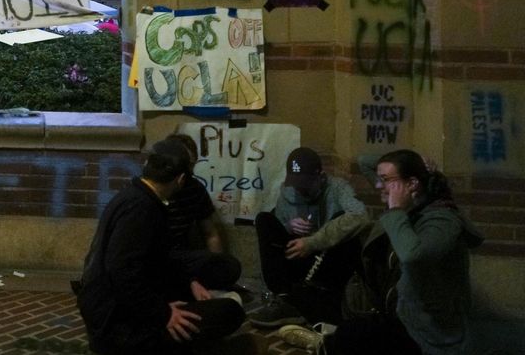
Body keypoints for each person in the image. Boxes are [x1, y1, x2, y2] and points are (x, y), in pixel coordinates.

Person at [278, 149, 484, 355]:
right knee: (344, 326)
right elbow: (364, 160)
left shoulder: (442, 220)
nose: (378, 185)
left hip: (430, 332)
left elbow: (414, 256)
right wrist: (418, 162)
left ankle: (325, 344)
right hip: (402, 312)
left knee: (350, 337)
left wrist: (396, 211)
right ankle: (327, 337)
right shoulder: (414, 205)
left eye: (385, 179)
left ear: (412, 184)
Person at [76, 139, 247, 353]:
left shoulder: (135, 196)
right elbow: (122, 270)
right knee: (229, 312)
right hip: (116, 327)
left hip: (117, 312)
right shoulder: (142, 208)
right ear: (181, 179)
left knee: (203, 293)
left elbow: (156, 261)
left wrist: (188, 283)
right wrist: (163, 314)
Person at [249, 147, 367, 328]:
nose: (300, 189)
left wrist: (313, 241)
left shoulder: (337, 188)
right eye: (296, 184)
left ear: (320, 176)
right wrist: (289, 226)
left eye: (306, 184)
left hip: (326, 260)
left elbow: (360, 216)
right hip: (299, 259)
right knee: (264, 219)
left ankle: (324, 300)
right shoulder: (288, 192)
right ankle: (284, 298)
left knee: (343, 222)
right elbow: (278, 231)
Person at [165, 134, 242, 295]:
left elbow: (210, 234)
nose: (189, 170)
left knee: (230, 267)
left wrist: (217, 263)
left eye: (192, 164)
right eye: (185, 165)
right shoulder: (159, 189)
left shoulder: (195, 189)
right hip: (160, 257)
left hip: (183, 256)